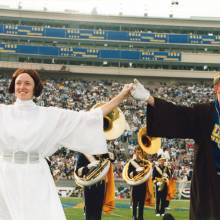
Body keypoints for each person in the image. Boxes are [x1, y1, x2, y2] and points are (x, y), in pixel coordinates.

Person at [0, 68, 133, 220]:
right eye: (18, 83)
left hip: (35, 174)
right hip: (5, 174)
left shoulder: (48, 115)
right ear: (13, 86)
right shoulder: (2, 112)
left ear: (35, 87)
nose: (22, 87)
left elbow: (89, 118)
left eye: (27, 83)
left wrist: (122, 96)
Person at [131, 77, 220, 220]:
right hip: (208, 183)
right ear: (217, 89)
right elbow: (178, 115)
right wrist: (149, 98)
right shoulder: (204, 113)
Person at [74, 152, 115, 220]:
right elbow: (78, 172)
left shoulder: (103, 154)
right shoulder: (84, 154)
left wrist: (105, 152)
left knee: (98, 213)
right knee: (89, 213)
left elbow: (113, 157)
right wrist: (88, 167)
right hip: (89, 186)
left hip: (101, 185)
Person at [128, 147, 149, 220]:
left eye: (140, 152)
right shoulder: (131, 162)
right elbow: (129, 174)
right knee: (135, 202)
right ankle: (134, 216)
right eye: (137, 152)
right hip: (135, 184)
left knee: (141, 203)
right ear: (135, 152)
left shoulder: (144, 162)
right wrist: (136, 171)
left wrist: (144, 168)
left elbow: (148, 173)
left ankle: (141, 217)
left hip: (143, 184)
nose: (138, 154)